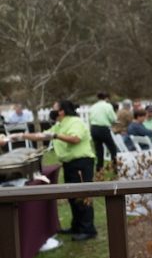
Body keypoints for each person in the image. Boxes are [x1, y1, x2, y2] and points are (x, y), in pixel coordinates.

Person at [16, 101, 98, 241]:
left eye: (55, 109)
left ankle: (88, 230)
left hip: (81, 163)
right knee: (72, 196)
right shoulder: (60, 124)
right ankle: (77, 226)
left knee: (82, 196)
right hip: (69, 164)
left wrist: (55, 136)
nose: (52, 111)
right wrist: (21, 136)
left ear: (62, 111)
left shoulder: (75, 122)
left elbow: (75, 139)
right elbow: (42, 135)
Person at [88, 92, 119, 172]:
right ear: (107, 98)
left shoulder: (93, 106)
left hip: (94, 128)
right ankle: (115, 167)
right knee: (112, 148)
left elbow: (90, 119)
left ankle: (99, 168)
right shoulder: (107, 106)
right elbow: (113, 118)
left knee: (99, 150)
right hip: (103, 128)